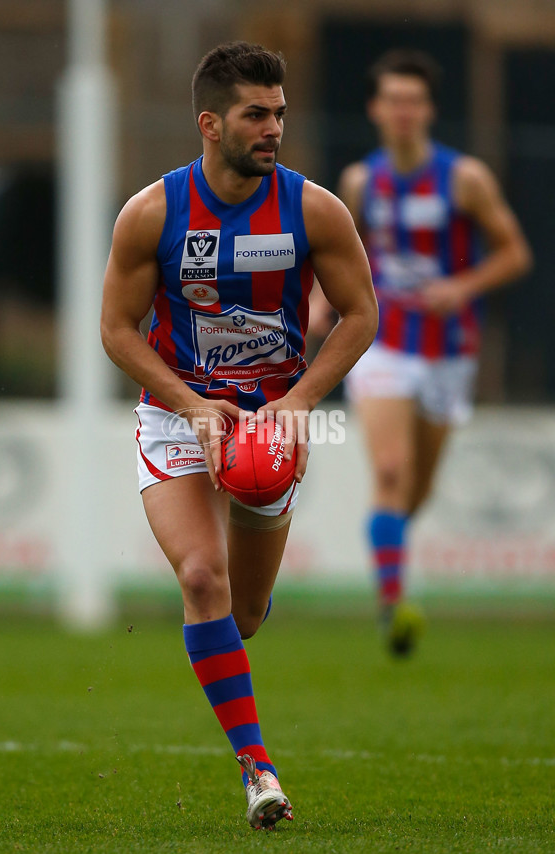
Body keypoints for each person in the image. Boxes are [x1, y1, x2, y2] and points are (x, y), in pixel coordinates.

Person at [100, 42, 377, 830]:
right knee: (199, 578)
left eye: (280, 113)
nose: (274, 128)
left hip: (274, 424)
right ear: (209, 122)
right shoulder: (152, 214)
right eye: (256, 114)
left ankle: (232, 665)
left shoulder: (314, 210)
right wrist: (188, 403)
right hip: (181, 414)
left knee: (245, 615)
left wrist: (299, 401)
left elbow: (362, 315)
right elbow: (117, 330)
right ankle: (259, 769)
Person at [311, 48, 532, 656]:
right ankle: (392, 607)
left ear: (428, 108)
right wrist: (319, 307)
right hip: (381, 341)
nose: (404, 111)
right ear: (376, 109)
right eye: (393, 100)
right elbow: (333, 254)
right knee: (388, 471)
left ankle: (390, 554)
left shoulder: (465, 179)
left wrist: (462, 286)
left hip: (448, 350)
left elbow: (516, 253)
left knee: (415, 491)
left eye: (414, 100)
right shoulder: (360, 181)